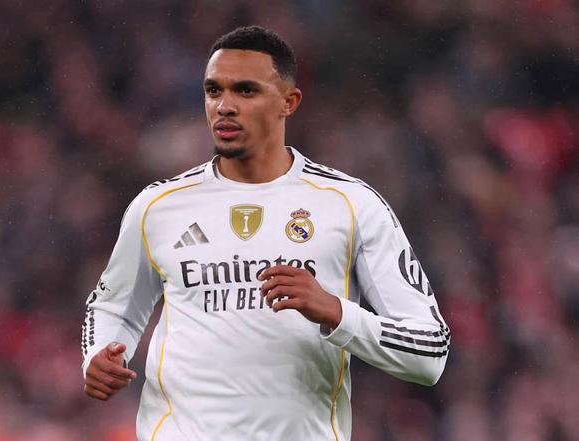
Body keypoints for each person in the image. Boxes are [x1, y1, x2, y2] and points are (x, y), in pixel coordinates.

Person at [81, 25, 450, 441]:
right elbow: (113, 307)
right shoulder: (157, 206)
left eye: (245, 91)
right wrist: (99, 355)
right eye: (213, 90)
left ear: (289, 102)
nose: (224, 106)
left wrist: (336, 312)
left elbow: (429, 352)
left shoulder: (351, 205)